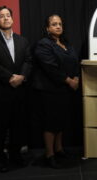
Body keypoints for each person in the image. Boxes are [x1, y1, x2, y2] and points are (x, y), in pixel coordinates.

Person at [0, 6, 32, 172]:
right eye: (1, 16)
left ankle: (15, 155)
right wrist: (10, 78)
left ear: (12, 19)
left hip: (19, 92)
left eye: (8, 15)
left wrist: (22, 77)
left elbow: (28, 61)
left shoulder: (22, 40)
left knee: (18, 127)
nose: (6, 18)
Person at [32, 14, 79, 169]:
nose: (58, 26)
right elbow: (51, 68)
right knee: (51, 123)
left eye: (59, 24)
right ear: (47, 28)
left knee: (60, 122)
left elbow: (74, 62)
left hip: (65, 90)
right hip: (50, 90)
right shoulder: (43, 44)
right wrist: (69, 81)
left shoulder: (66, 44)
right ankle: (49, 154)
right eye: (54, 24)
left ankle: (59, 150)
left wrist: (76, 77)